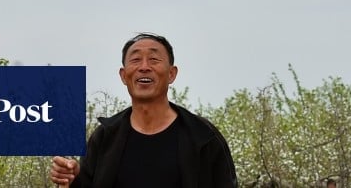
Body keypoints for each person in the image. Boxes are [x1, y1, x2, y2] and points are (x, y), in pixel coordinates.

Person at [50, 33, 237, 187]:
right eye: (136, 60)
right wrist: (73, 179)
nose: (144, 67)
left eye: (154, 59)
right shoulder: (105, 137)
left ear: (172, 74)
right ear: (124, 76)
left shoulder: (203, 136)